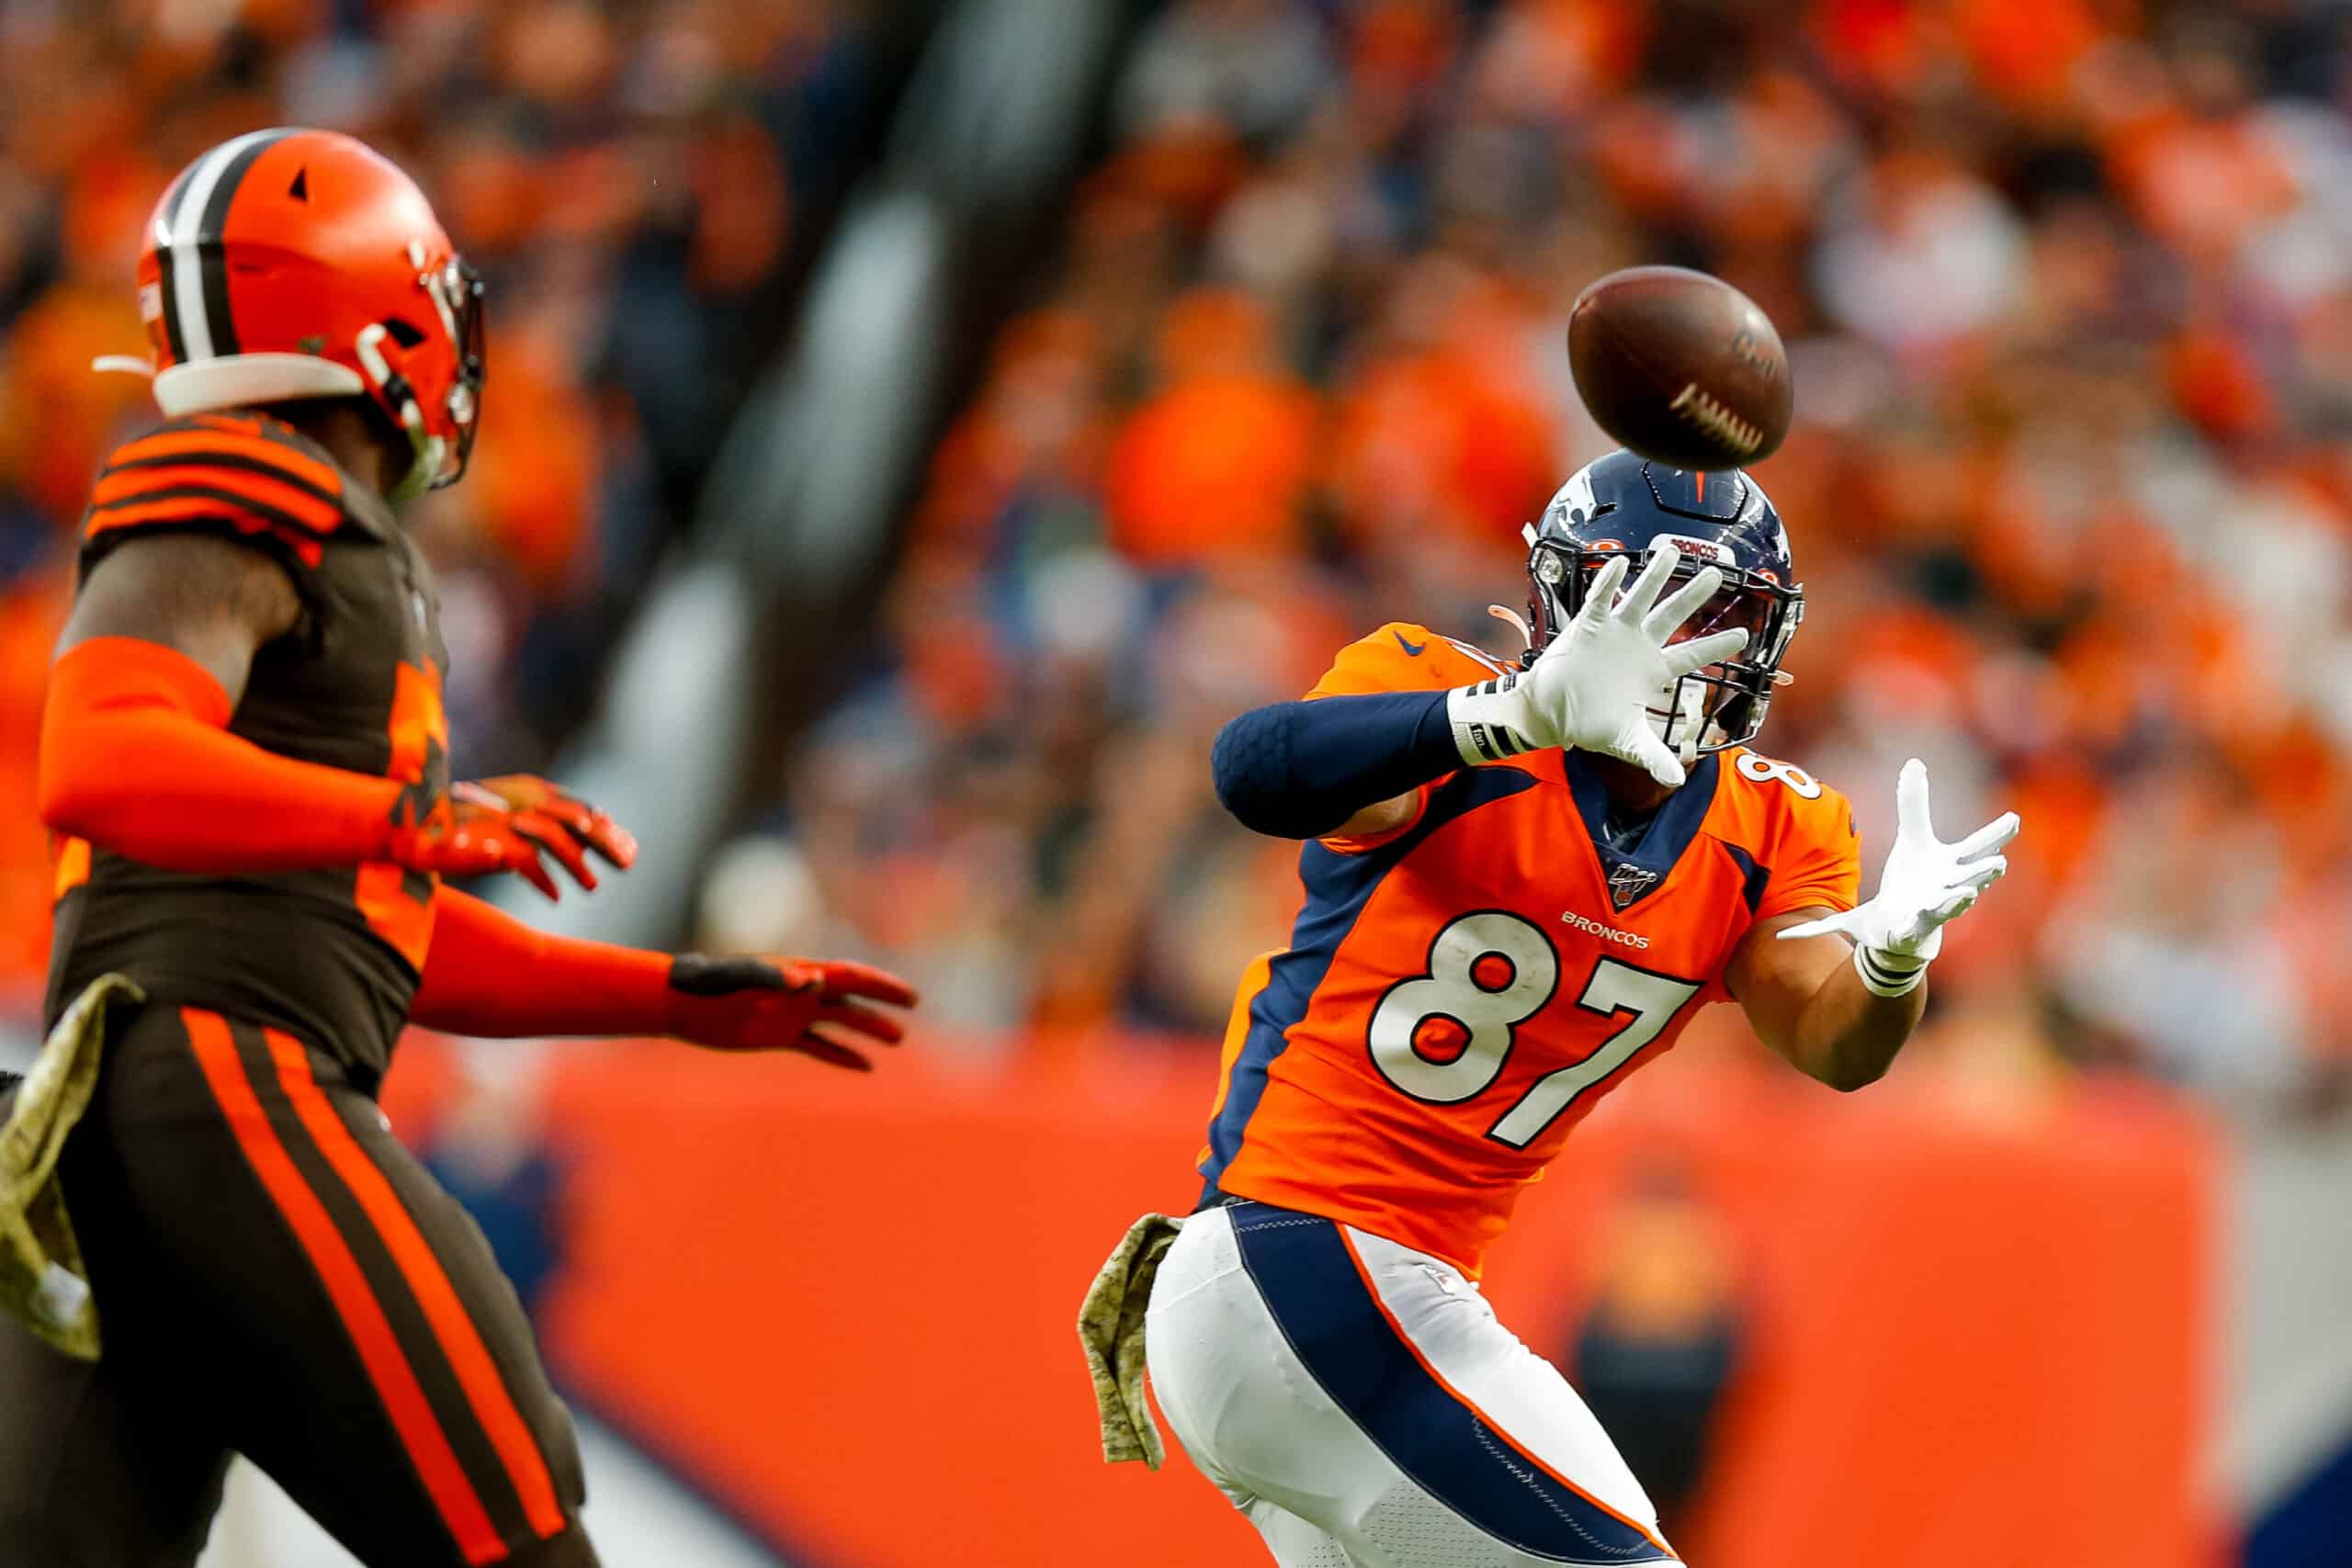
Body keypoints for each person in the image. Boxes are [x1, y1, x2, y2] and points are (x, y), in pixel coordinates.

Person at [0, 128, 914, 1568]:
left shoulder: (312, 535)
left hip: (116, 1122)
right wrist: (407, 813)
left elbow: (368, 922)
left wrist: (665, 995)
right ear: (379, 311)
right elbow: (103, 758)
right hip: (224, 1087)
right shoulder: (249, 487)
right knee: (520, 1540)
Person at [1137, 451, 2018, 1565]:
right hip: (1300, 1257)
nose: (1690, 645)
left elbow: (1831, 1041)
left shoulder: (1778, 828)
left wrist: (1893, 967)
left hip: (1371, 1296)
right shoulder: (1441, 697)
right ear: (1572, 598)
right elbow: (1253, 772)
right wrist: (1503, 716)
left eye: (1724, 613)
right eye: (1655, 603)